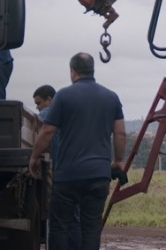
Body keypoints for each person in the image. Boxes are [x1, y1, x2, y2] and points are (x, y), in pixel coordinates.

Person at [28, 53, 126, 250]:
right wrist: (117, 161)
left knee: (60, 226)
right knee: (90, 228)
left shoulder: (63, 96)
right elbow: (120, 133)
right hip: (98, 175)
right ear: (92, 70)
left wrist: (34, 156)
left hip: (67, 177)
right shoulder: (111, 97)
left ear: (72, 72)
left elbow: (47, 131)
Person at [32, 84, 81, 249]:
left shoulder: (47, 115)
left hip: (59, 172)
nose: (38, 108)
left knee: (57, 216)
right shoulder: (70, 116)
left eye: (39, 103)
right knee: (75, 217)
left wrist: (34, 156)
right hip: (76, 169)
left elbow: (44, 129)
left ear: (49, 100)